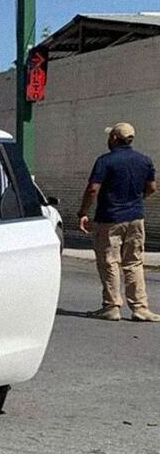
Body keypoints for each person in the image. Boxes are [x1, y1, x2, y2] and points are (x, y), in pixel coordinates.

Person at [77, 122, 159, 321]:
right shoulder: (144, 161)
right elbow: (152, 188)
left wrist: (83, 212)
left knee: (109, 261)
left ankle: (112, 306)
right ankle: (140, 307)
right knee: (134, 262)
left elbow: (93, 189)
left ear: (114, 138)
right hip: (135, 218)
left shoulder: (105, 161)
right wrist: (135, 201)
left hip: (110, 218)